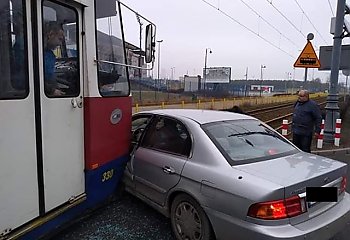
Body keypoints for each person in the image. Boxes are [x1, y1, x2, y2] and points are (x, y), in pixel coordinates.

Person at [43, 21, 65, 96]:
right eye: (59, 39)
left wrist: (57, 88)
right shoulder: (35, 52)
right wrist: (51, 90)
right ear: (51, 34)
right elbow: (33, 78)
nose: (60, 44)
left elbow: (50, 77)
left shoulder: (50, 55)